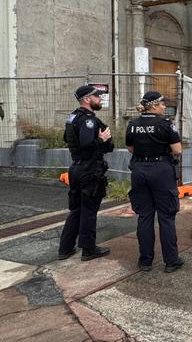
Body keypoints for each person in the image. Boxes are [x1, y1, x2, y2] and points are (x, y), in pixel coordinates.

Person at [126, 91, 184, 273]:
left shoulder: (133, 124)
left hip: (139, 170)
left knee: (144, 216)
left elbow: (130, 149)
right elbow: (177, 150)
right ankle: (171, 261)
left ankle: (145, 261)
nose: (164, 106)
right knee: (166, 216)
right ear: (153, 105)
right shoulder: (165, 124)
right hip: (161, 171)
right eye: (161, 104)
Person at [58, 85, 113, 261]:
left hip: (76, 168)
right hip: (89, 170)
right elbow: (86, 144)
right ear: (87, 99)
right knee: (89, 210)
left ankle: (65, 249)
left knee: (76, 210)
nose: (100, 99)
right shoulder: (88, 120)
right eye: (97, 96)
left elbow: (67, 138)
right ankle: (88, 249)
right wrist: (101, 139)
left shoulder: (72, 117)